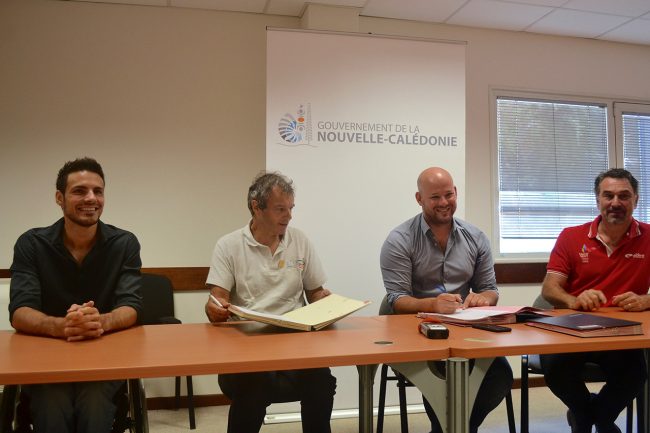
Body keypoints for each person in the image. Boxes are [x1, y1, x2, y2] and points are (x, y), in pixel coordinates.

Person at [8, 157, 143, 433]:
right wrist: (62, 326)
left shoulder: (125, 243)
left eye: (98, 191)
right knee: (52, 401)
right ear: (59, 198)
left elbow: (131, 306)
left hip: (104, 356)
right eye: (80, 191)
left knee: (94, 401)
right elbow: (20, 310)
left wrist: (99, 322)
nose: (91, 198)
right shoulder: (31, 244)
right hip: (45, 358)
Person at [380, 166, 513, 433]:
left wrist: (483, 299)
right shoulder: (399, 240)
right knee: (442, 377)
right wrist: (432, 304)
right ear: (419, 199)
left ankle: (458, 428)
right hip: (416, 331)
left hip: (465, 331)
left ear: (456, 192)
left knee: (500, 375)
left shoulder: (476, 237)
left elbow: (490, 289)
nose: (444, 203)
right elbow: (396, 299)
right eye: (435, 197)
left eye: (448, 195)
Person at [204, 171, 337, 433]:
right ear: (257, 207)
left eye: (291, 208)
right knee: (253, 389)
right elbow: (217, 300)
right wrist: (215, 309)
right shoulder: (228, 245)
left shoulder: (299, 240)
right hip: (248, 345)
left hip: (295, 341)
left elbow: (315, 292)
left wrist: (326, 301)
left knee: (322, 383)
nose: (289, 216)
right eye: (280, 209)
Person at [540, 168, 650, 433]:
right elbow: (549, 289)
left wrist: (647, 300)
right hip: (573, 330)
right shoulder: (571, 236)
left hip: (623, 333)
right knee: (554, 369)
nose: (615, 202)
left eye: (624, 196)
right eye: (608, 195)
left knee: (635, 374)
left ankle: (589, 418)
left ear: (636, 200)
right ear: (597, 199)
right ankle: (594, 418)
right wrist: (574, 300)